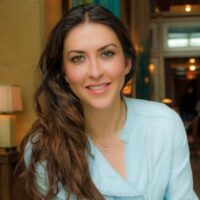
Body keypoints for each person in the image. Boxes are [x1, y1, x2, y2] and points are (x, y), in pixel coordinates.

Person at [20, 3, 198, 200]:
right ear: (64, 73)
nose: (95, 72)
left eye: (107, 53)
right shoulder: (45, 145)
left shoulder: (164, 124)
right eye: (78, 58)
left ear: (127, 62)